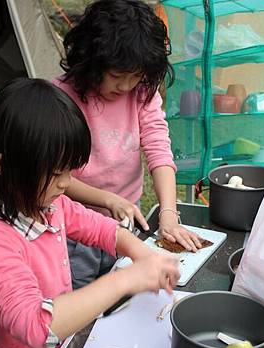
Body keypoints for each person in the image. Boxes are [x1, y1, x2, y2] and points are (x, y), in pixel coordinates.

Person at [0, 78, 180, 348]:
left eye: (70, 171)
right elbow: (37, 326)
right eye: (56, 173)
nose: (67, 184)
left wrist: (141, 253)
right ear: (2, 166)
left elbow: (99, 227)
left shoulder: (46, 203)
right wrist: (124, 281)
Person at [54, 0, 203, 289]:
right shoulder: (61, 97)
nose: (126, 86)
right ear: (91, 61)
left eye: (135, 77)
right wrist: (107, 199)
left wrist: (168, 214)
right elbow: (53, 176)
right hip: (72, 224)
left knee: (120, 287)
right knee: (78, 293)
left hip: (126, 217)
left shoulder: (141, 91)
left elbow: (159, 149)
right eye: (117, 76)